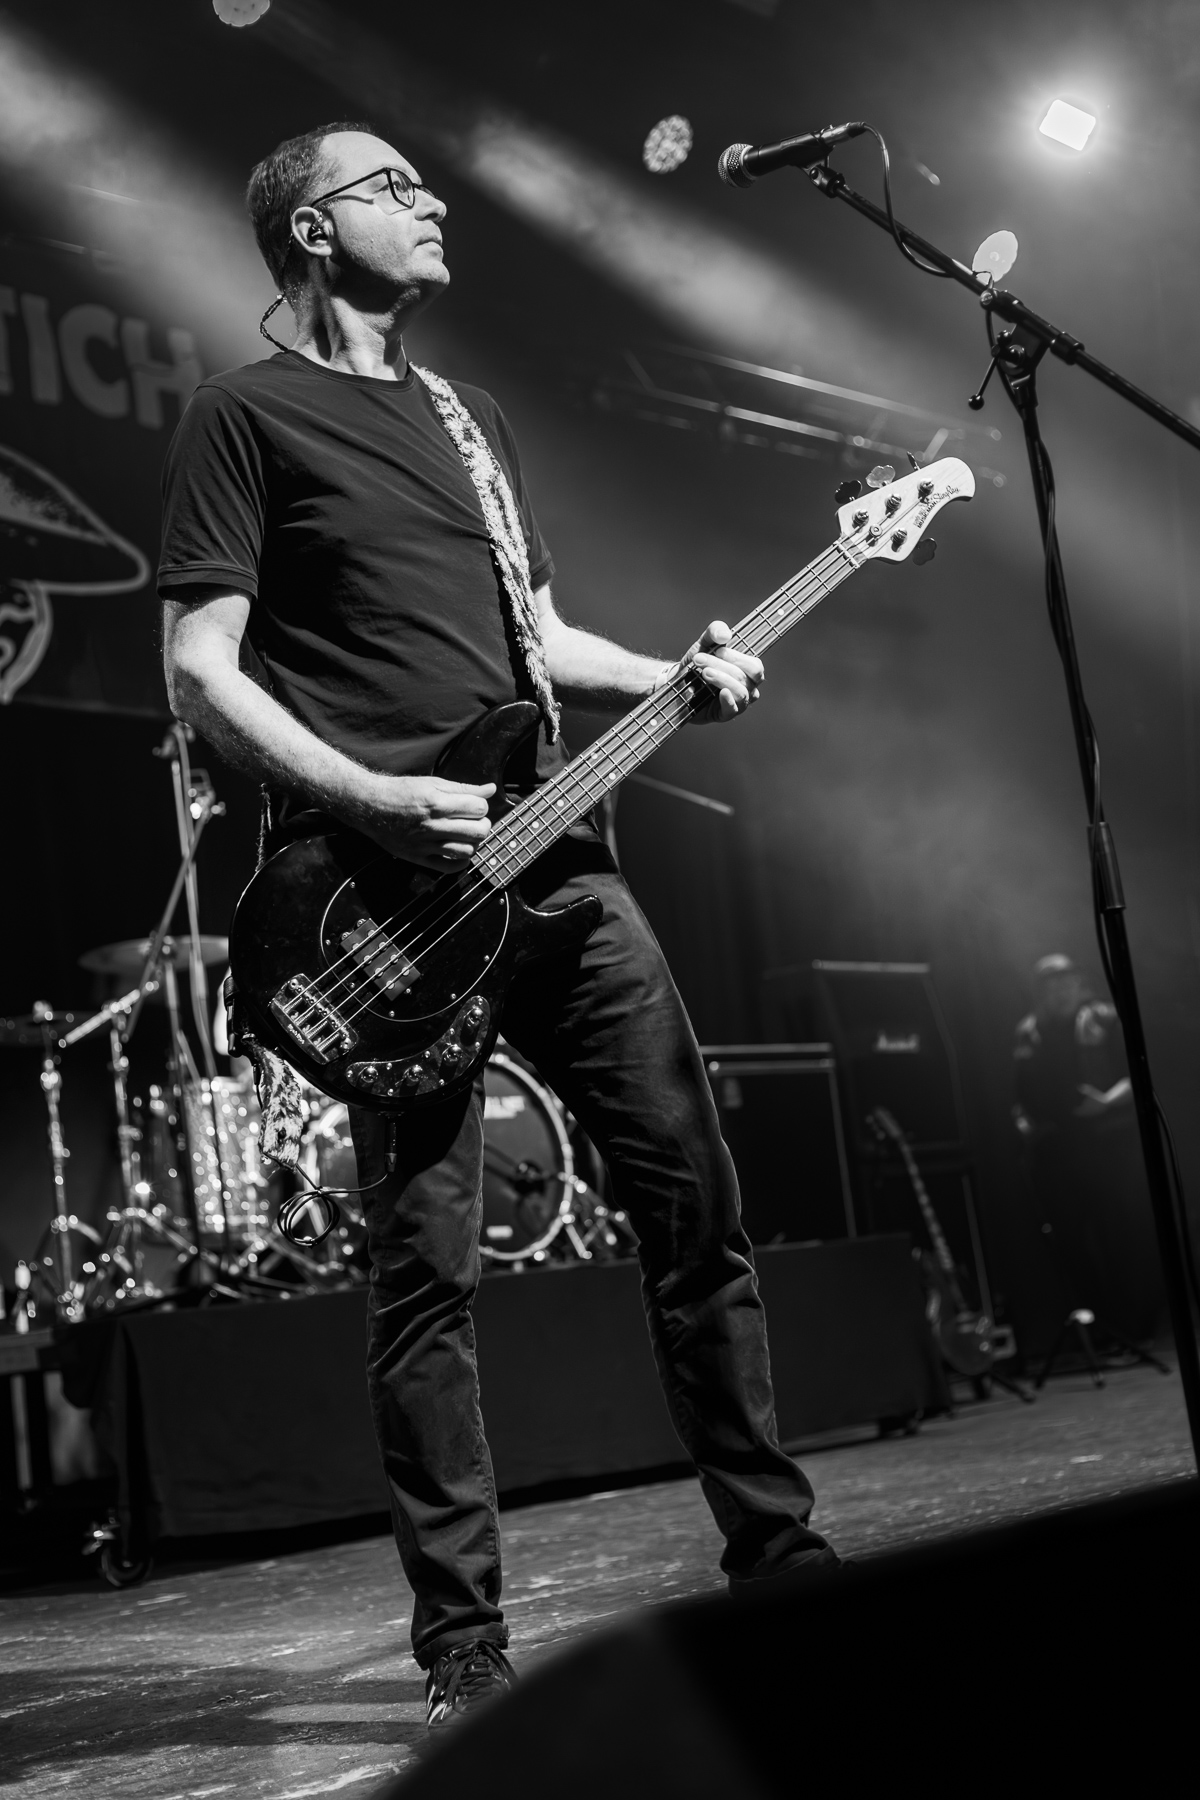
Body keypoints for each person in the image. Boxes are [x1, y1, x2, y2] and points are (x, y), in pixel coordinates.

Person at [158, 122, 840, 1733]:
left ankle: (781, 1558)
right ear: (312, 230)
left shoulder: (476, 422)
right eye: (396, 186)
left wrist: (675, 675)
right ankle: (463, 1642)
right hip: (379, 900)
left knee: (695, 1210)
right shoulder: (242, 415)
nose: (433, 201)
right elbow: (199, 667)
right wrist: (378, 801)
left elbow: (539, 635)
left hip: (565, 868)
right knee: (426, 1275)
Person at [1013, 953, 1162, 1343]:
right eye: (1051, 985)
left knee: (1121, 1235)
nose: (1060, 991)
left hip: (1107, 1145)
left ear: (1079, 984)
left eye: (1066, 982)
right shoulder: (1028, 1032)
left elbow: (1138, 1074)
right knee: (1072, 1243)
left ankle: (1135, 1328)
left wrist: (1108, 1101)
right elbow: (1019, 1092)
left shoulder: (1106, 1019)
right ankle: (1100, 1330)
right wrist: (1023, 1121)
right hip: (1057, 1152)